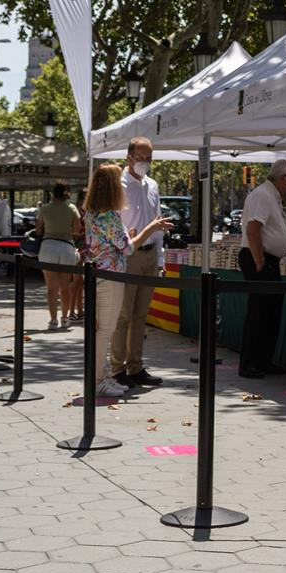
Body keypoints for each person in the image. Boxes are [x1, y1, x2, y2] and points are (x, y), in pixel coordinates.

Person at [82, 162, 171, 398]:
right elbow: (128, 248)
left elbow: (115, 243)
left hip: (101, 274)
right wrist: (151, 228)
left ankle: (101, 376)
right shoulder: (109, 214)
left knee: (102, 329)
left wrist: (128, 237)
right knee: (105, 330)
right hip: (110, 277)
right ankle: (99, 379)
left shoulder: (94, 212)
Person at [238, 158, 286, 379]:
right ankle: (249, 363)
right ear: (283, 179)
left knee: (271, 311)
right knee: (259, 311)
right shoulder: (263, 195)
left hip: (269, 259)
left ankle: (264, 360)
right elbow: (253, 228)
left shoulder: (273, 197)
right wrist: (259, 261)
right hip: (260, 258)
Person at [109, 139, 165, 388]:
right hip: (128, 254)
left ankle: (136, 366)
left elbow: (158, 221)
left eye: (150, 158)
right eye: (142, 157)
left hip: (150, 254)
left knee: (141, 315)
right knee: (123, 315)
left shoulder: (152, 185)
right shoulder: (117, 185)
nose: (146, 162)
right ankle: (117, 368)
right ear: (129, 156)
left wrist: (160, 258)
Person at [36, 182, 83, 332]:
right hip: (66, 247)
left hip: (48, 246)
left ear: (52, 194)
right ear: (67, 194)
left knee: (51, 289)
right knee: (65, 287)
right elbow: (77, 230)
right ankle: (65, 318)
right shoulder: (72, 208)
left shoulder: (44, 208)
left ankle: (53, 320)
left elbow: (38, 230)